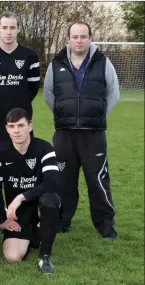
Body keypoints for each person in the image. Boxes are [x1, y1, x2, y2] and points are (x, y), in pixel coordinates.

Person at [43, 22, 120, 238]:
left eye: (83, 36)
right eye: (75, 37)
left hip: (93, 133)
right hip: (64, 133)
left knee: (97, 179)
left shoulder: (102, 62)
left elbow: (113, 93)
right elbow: (49, 94)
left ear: (90, 38)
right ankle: (61, 220)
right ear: (68, 39)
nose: (79, 40)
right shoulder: (56, 63)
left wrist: (97, 115)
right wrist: (64, 114)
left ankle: (104, 223)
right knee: (63, 180)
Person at [0, 108, 61, 274]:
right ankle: (35, 235)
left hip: (39, 206)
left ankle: (45, 256)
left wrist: (22, 197)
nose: (16, 130)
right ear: (7, 129)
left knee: (51, 200)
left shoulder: (44, 148)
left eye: (21, 125)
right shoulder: (0, 152)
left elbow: (52, 182)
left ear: (30, 126)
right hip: (17, 214)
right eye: (12, 126)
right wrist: (2, 218)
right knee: (12, 257)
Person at [0, 11, 41, 149]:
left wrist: (19, 101)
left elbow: (33, 87)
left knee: (22, 160)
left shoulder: (30, 56)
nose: (8, 32)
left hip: (22, 117)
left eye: (12, 28)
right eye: (4, 28)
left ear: (18, 29)